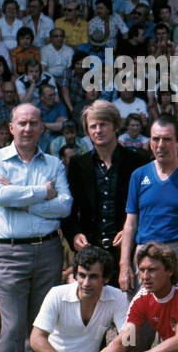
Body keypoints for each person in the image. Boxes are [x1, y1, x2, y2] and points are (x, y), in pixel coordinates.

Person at [0, 102, 72, 352]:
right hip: (8, 253)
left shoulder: (54, 164)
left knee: (40, 328)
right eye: (21, 123)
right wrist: (40, 193)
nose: (28, 128)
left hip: (48, 251)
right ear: (11, 128)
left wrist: (23, 200)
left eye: (34, 123)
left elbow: (64, 206)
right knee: (13, 329)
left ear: (41, 128)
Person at [120, 114, 178, 294]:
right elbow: (130, 224)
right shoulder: (138, 176)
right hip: (145, 254)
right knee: (142, 316)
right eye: (156, 139)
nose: (160, 145)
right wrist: (124, 265)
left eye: (167, 139)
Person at [62, 101, 150, 262]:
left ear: (116, 127)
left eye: (103, 125)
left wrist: (132, 232)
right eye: (93, 126)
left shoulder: (138, 163)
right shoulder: (77, 165)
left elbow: (147, 207)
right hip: (89, 250)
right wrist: (74, 235)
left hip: (127, 251)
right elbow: (68, 209)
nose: (98, 131)